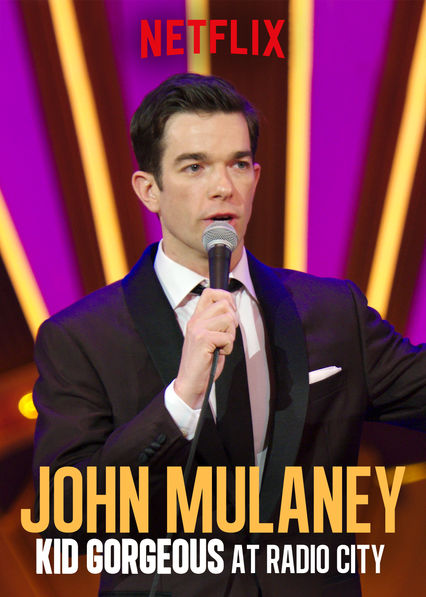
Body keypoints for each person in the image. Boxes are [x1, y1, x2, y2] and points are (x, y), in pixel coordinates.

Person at [33, 73, 425, 597]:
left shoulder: (334, 312)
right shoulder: (80, 338)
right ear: (149, 190)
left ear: (256, 177)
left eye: (238, 164)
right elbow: (67, 518)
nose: (224, 187)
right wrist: (180, 400)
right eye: (194, 167)